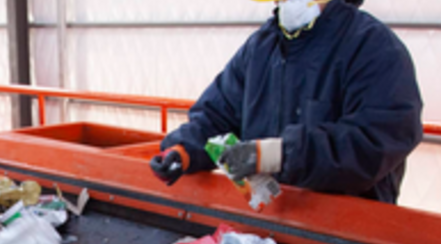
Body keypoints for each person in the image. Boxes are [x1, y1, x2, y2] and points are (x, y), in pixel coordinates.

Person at [150, 0, 423, 204]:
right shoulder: (261, 47)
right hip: (273, 220)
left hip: (348, 232)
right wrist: (183, 150)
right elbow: (216, 115)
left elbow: (379, 139)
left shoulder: (372, 46)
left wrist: (277, 155)